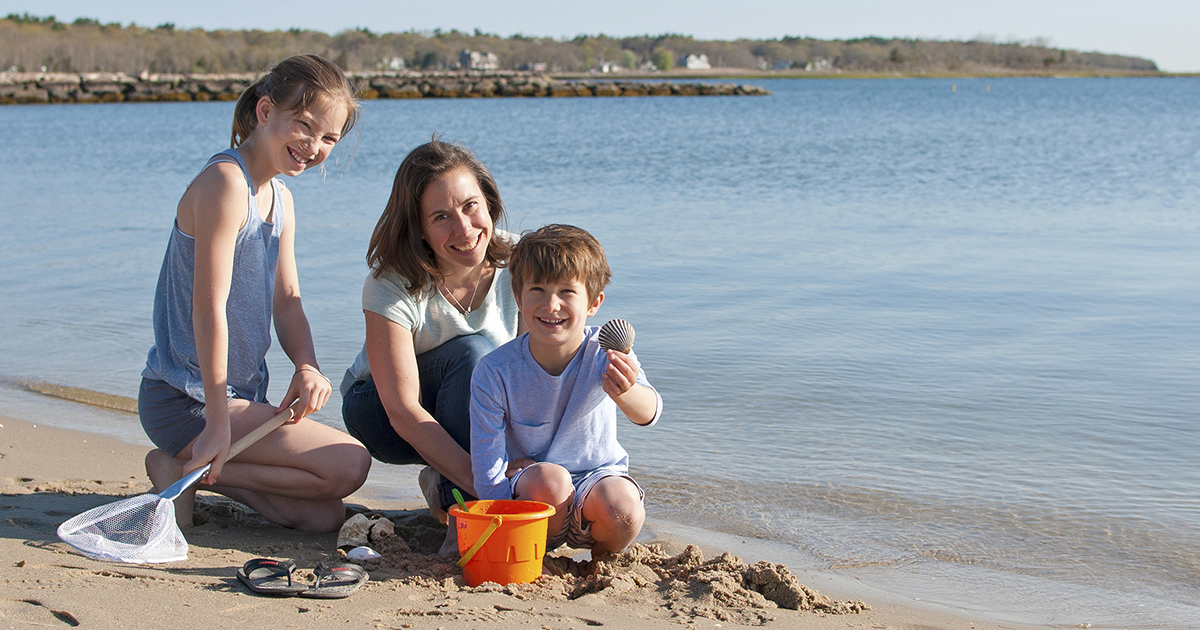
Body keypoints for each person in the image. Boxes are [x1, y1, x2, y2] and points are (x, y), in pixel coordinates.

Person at [139, 54, 371, 533]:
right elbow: (208, 309)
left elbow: (287, 300)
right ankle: (191, 457)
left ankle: (185, 472)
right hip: (187, 399)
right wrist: (218, 423)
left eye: (329, 138)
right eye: (304, 126)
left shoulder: (281, 199)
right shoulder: (226, 182)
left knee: (321, 515)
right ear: (266, 112)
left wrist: (307, 365)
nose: (314, 146)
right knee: (349, 464)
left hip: (238, 400)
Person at [340, 139, 522, 547]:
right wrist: (491, 487)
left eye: (471, 206)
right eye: (441, 217)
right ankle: (465, 511)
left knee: (494, 371)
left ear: (489, 202)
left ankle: (445, 481)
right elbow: (403, 411)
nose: (464, 229)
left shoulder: (522, 260)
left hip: (473, 407)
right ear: (418, 227)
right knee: (472, 354)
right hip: (381, 412)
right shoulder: (390, 283)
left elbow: (538, 370)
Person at [470, 224, 663, 556]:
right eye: (538, 290)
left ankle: (602, 558)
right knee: (551, 481)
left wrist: (625, 391)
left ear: (594, 302)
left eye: (567, 292)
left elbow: (649, 413)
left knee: (625, 509)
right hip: (535, 494)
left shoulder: (606, 352)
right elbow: (487, 465)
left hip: (597, 479)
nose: (551, 305)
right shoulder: (495, 371)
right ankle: (537, 553)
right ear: (518, 297)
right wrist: (498, 516)